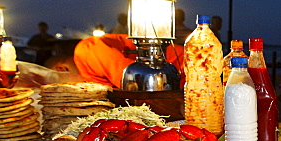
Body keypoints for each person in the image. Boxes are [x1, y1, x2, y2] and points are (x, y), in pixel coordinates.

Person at [46, 34, 185, 90]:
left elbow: (134, 84)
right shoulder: (89, 74)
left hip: (188, 68)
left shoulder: (86, 50)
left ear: (61, 69)